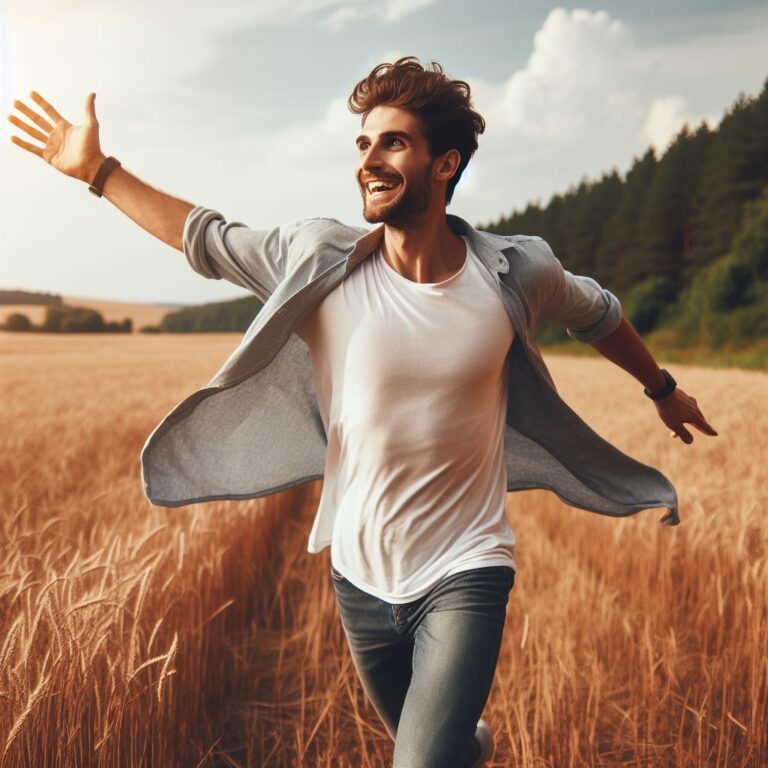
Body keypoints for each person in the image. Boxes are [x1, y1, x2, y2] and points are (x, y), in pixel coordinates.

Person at [8, 56, 717, 768]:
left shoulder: (512, 274)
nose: (368, 161)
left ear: (445, 165)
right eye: (362, 144)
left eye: (392, 143)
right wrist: (99, 172)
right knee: (435, 744)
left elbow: (597, 312)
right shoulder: (320, 259)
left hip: (467, 567)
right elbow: (205, 238)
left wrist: (659, 388)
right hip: (359, 577)